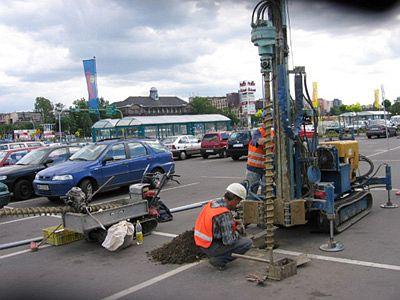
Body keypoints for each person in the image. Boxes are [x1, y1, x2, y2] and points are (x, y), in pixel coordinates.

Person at [194, 183, 253, 270]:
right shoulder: (224, 214)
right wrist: (237, 231)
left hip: (201, 242)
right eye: (239, 202)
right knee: (247, 243)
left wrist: (233, 223)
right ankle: (219, 260)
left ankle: (215, 254)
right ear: (235, 199)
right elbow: (228, 241)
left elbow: (217, 224)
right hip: (210, 246)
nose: (238, 205)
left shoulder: (212, 203)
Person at [246, 119, 270, 198]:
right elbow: (260, 142)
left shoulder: (273, 133)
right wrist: (273, 139)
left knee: (267, 193)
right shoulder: (258, 132)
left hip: (267, 169)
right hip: (253, 168)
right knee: (251, 192)